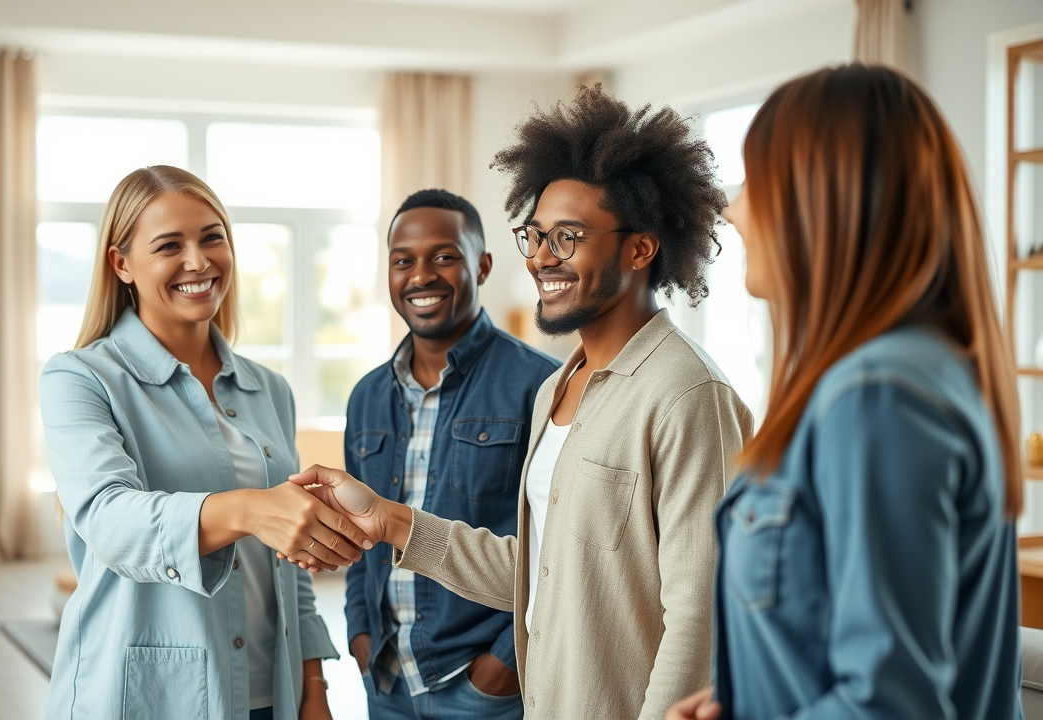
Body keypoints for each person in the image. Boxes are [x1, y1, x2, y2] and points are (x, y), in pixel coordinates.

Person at [287, 87, 754, 719]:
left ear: (640, 248)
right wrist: (389, 521)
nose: (539, 258)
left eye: (569, 238)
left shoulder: (686, 394)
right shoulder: (558, 388)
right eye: (534, 236)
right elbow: (542, 567)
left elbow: (701, 613)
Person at [664, 64, 1024, 720]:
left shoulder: (877, 398)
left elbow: (891, 705)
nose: (733, 207)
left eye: (757, 181)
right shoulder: (905, 374)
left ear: (822, 200)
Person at [39, 166, 372, 720]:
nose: (198, 261)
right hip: (150, 694)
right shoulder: (79, 379)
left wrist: (315, 683)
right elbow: (108, 520)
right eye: (170, 245)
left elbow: (287, 562)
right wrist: (248, 510)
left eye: (212, 237)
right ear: (121, 264)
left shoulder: (270, 389)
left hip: (275, 690)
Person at [344, 189, 559, 720]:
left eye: (444, 256)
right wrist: (360, 632)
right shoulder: (368, 396)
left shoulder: (541, 385)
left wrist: (504, 663)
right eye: (403, 261)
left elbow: (560, 550)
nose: (421, 275)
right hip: (387, 679)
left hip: (484, 685)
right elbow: (356, 536)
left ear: (482, 265)